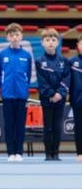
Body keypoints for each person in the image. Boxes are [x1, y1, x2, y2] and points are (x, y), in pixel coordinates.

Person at [0, 23, 32, 162]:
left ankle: (19, 152)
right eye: (11, 35)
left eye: (17, 34)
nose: (14, 37)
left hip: (22, 95)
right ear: (7, 37)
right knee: (9, 125)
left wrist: (24, 88)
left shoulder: (26, 55)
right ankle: (10, 152)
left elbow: (28, 76)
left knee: (20, 125)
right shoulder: (2, 54)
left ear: (21, 36)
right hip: (7, 95)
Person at [36, 28, 70, 161]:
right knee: (48, 126)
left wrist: (60, 94)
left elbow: (67, 78)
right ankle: (48, 153)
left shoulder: (63, 61)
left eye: (53, 40)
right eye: (48, 40)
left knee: (57, 126)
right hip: (47, 99)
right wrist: (50, 94)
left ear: (58, 42)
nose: (50, 42)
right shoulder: (40, 61)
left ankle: (56, 152)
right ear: (42, 42)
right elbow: (41, 80)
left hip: (60, 100)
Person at [69, 35, 82, 161]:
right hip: (77, 100)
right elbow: (69, 82)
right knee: (79, 128)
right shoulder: (72, 62)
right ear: (77, 46)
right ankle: (80, 152)